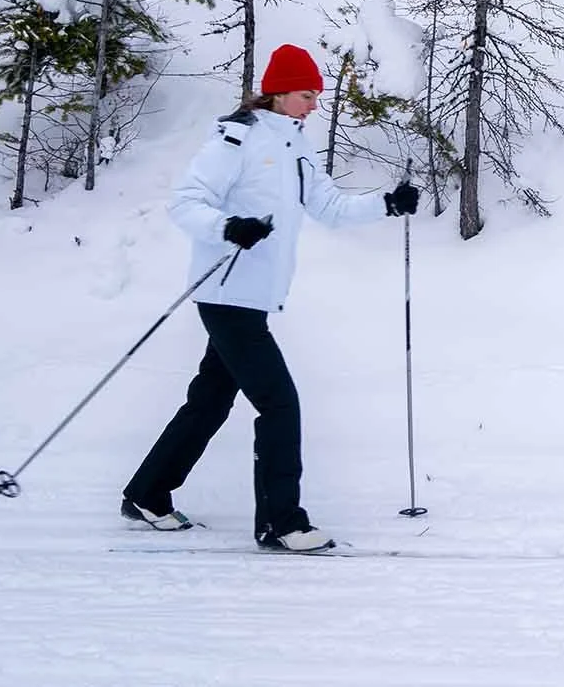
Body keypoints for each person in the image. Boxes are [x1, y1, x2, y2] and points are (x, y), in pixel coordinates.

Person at [120, 43, 421, 553]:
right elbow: (185, 203)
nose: (313, 105)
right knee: (280, 404)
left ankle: (148, 494)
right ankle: (281, 523)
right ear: (279, 93)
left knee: (210, 400)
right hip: (226, 294)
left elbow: (327, 206)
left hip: (254, 297)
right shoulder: (236, 140)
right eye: (306, 95)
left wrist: (386, 204)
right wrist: (228, 226)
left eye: (316, 97)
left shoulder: (296, 146)